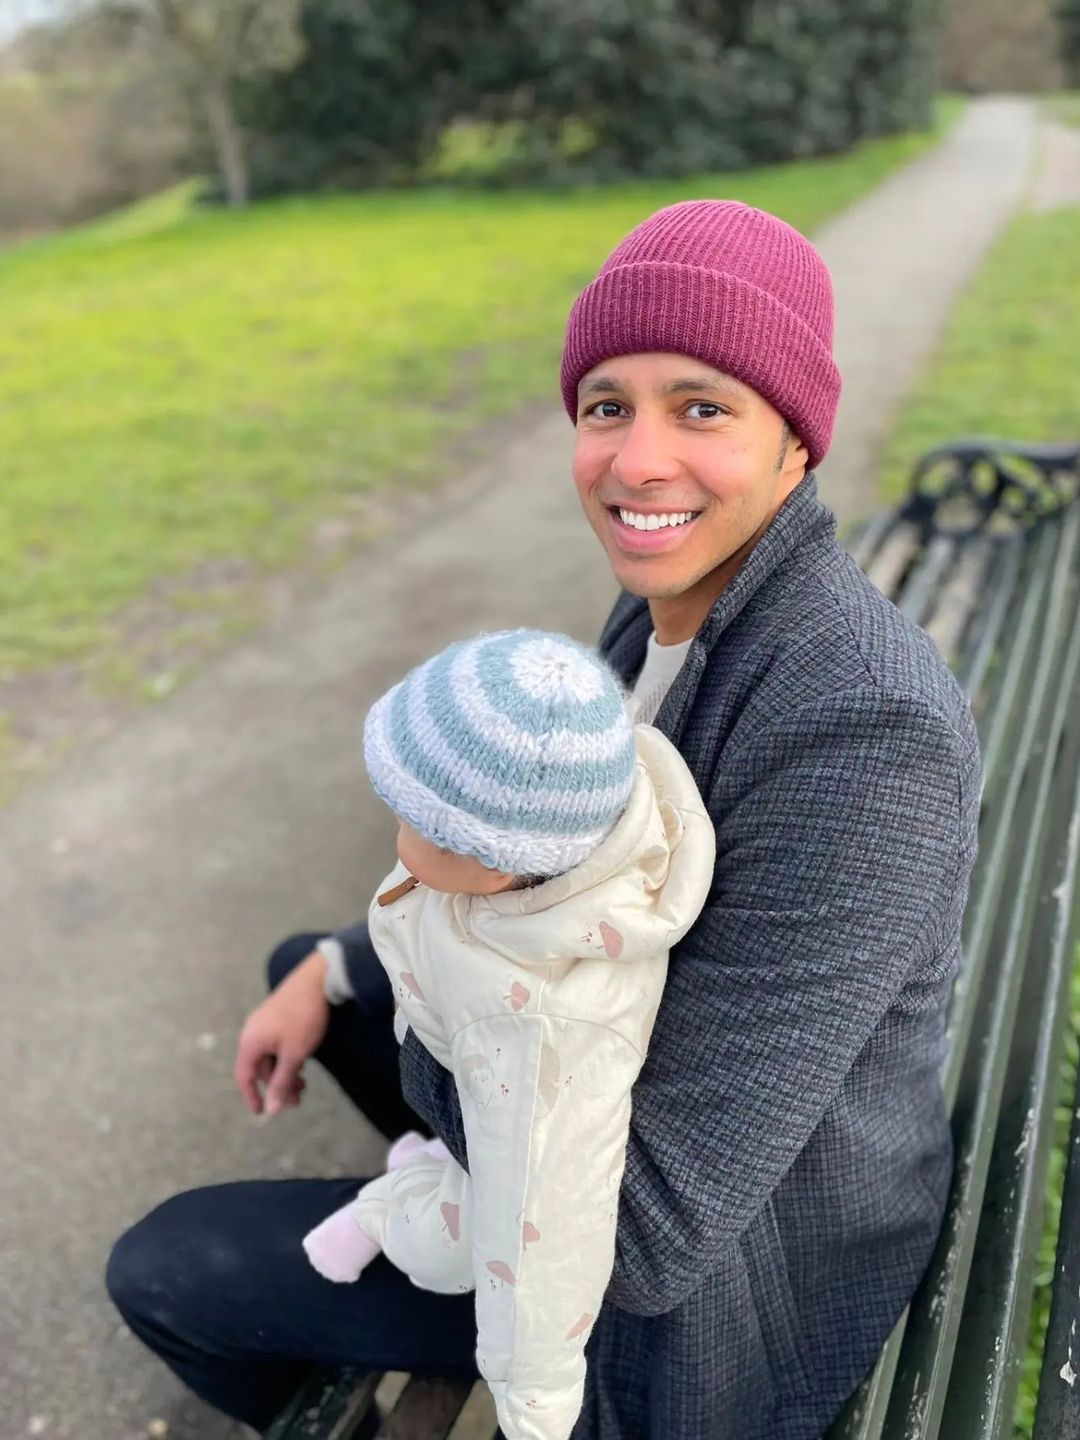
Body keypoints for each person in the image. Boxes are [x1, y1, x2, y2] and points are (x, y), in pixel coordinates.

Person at [106, 199, 982, 1440]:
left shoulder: (860, 734)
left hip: (718, 1305)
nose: (636, 462)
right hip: (622, 1097)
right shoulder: (668, 607)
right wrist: (342, 967)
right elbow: (543, 853)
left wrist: (426, 1005)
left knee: (171, 1268)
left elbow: (642, 1239)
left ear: (799, 444)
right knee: (316, 965)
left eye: (704, 408)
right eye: (606, 405)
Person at [301, 628, 714, 1440]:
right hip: (464, 1069)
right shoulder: (554, 834)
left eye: (412, 818)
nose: (394, 829)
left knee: (452, 1245)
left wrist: (534, 1410)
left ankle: (386, 1208)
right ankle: (421, 1160)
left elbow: (545, 1229)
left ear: (494, 865)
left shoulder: (543, 1033)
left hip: (510, 1139)